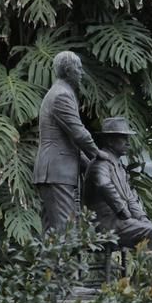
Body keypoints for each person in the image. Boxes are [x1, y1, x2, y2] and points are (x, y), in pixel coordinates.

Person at [34, 52, 100, 237]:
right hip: (57, 172)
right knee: (66, 232)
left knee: (51, 234)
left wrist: (89, 163)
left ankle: (49, 259)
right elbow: (78, 133)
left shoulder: (60, 92)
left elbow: (70, 140)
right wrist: (99, 155)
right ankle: (65, 259)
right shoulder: (61, 95)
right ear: (68, 70)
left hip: (53, 172)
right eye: (79, 68)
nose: (82, 73)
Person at [84, 117, 152, 253]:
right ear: (110, 141)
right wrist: (122, 210)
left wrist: (143, 219)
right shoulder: (100, 163)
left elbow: (130, 198)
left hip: (120, 222)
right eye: (123, 138)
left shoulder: (119, 166)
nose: (128, 143)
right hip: (105, 224)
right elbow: (104, 184)